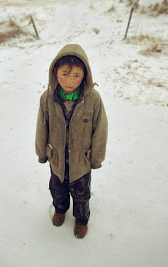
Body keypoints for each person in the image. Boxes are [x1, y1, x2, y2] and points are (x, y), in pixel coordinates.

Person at [35, 44, 108, 239]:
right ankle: (60, 209)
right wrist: (41, 152)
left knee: (81, 193)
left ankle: (82, 219)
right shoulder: (47, 98)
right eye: (65, 74)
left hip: (81, 161)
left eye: (76, 75)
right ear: (55, 73)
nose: (70, 81)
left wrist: (96, 157)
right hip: (57, 158)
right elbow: (42, 126)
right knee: (57, 188)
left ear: (85, 75)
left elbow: (100, 129)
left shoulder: (93, 99)